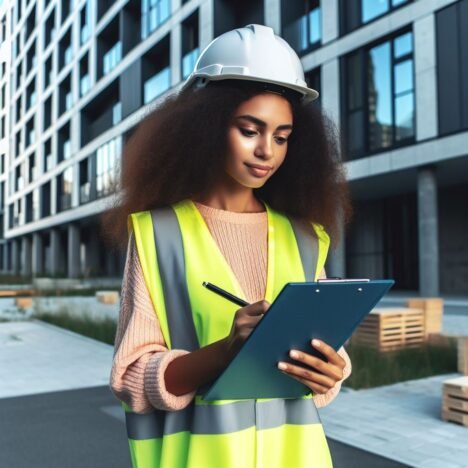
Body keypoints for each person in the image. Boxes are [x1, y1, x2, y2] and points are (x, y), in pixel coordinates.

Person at [106, 24, 352, 468]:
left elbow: (319, 367)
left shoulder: (307, 238)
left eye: (281, 136)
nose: (267, 152)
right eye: (249, 130)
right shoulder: (158, 234)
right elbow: (129, 377)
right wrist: (224, 352)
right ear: (208, 127)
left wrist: (330, 371)